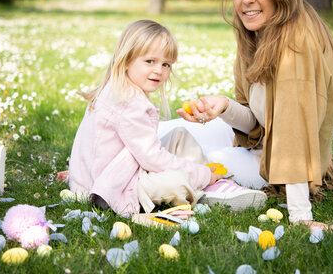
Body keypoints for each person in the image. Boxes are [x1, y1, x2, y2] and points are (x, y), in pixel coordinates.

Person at [173, 0, 333, 232]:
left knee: (197, 160)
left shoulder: (297, 40)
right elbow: (256, 120)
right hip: (264, 146)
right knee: (173, 131)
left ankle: (117, 174)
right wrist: (225, 107)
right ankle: (94, 164)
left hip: (284, 167)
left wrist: (301, 215)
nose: (246, 0)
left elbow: (294, 129)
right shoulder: (258, 33)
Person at [63, 19, 267, 216]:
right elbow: (152, 159)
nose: (158, 71)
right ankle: (205, 183)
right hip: (113, 187)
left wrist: (78, 174)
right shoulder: (128, 102)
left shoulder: (119, 91)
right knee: (173, 183)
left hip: (114, 171)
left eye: (166, 64)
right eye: (150, 61)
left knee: (179, 135)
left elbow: (92, 147)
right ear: (126, 60)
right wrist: (202, 174)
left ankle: (211, 184)